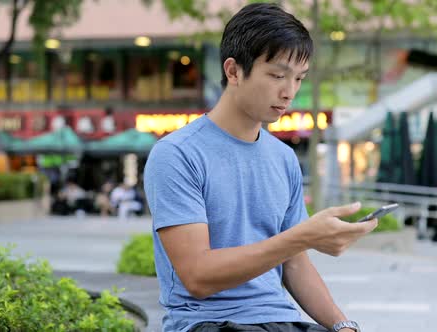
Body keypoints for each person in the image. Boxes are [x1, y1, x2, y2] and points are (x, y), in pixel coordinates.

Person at [143, 4, 377, 332]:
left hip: (280, 320)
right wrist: (301, 236)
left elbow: (294, 263)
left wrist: (343, 326)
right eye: (277, 75)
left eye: (299, 78)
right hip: (208, 323)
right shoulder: (177, 155)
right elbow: (197, 276)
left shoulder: (283, 159)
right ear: (234, 71)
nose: (290, 91)